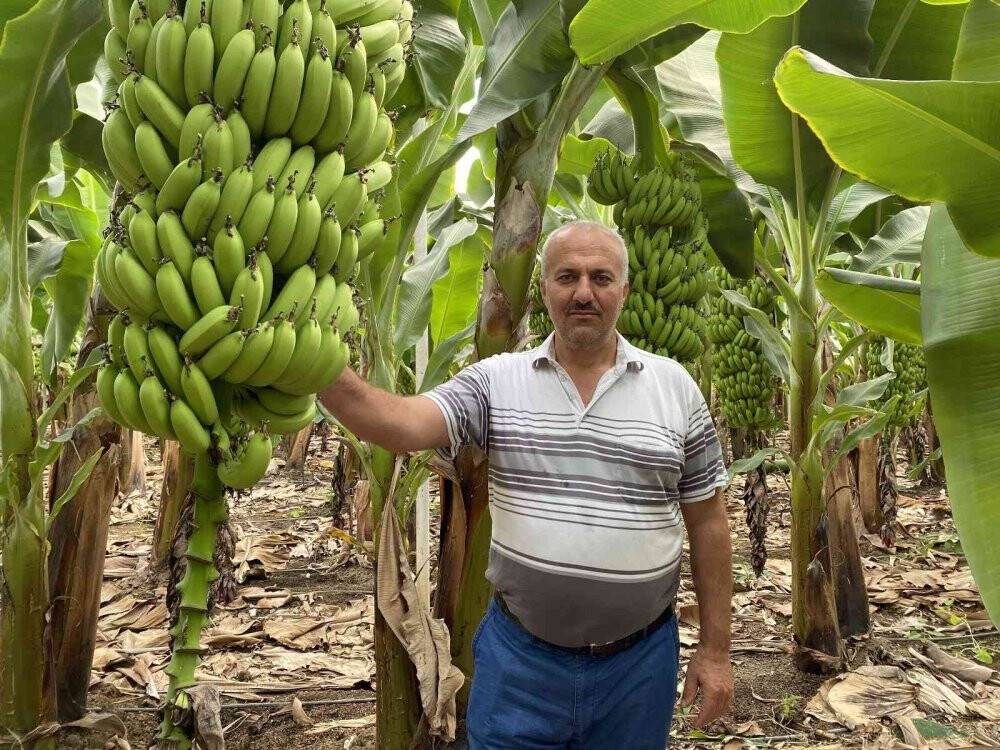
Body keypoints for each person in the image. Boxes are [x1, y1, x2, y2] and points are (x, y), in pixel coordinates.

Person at [319, 220, 734, 748]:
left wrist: (716, 652)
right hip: (522, 663)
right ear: (544, 289)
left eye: (601, 278)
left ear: (624, 292)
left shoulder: (674, 387)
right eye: (567, 277)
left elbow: (708, 520)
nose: (584, 293)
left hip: (638, 666)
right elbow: (400, 425)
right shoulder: (497, 381)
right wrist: (315, 367)